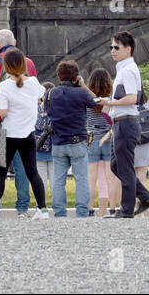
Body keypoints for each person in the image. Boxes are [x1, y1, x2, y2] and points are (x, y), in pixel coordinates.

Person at [0, 47, 49, 220]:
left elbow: (2, 112)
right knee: (32, 172)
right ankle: (42, 209)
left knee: (0, 174)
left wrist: (0, 100)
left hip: (8, 134)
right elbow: (42, 93)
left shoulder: (4, 86)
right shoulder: (32, 82)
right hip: (28, 134)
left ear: (7, 67)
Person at [99, 31, 149, 219]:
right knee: (116, 165)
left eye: (116, 47)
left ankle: (126, 209)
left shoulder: (129, 70)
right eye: (111, 47)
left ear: (128, 49)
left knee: (123, 166)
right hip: (120, 123)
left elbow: (132, 98)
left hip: (126, 122)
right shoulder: (123, 69)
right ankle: (145, 197)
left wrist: (109, 103)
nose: (112, 51)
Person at [48, 59, 98, 217]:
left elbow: (47, 110)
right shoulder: (81, 93)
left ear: (59, 77)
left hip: (58, 142)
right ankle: (82, 212)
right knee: (82, 179)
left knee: (58, 180)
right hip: (77, 142)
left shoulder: (52, 93)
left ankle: (59, 212)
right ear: (76, 77)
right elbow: (96, 102)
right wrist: (83, 85)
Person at [85, 68, 119, 216]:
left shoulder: (87, 100)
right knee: (110, 178)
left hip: (91, 138)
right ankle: (111, 210)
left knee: (90, 179)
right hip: (109, 138)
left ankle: (90, 209)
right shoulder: (111, 99)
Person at [35, 82, 55, 198]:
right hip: (52, 148)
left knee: (42, 181)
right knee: (54, 181)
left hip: (39, 147)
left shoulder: (36, 109)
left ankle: (41, 206)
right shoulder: (58, 109)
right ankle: (56, 206)